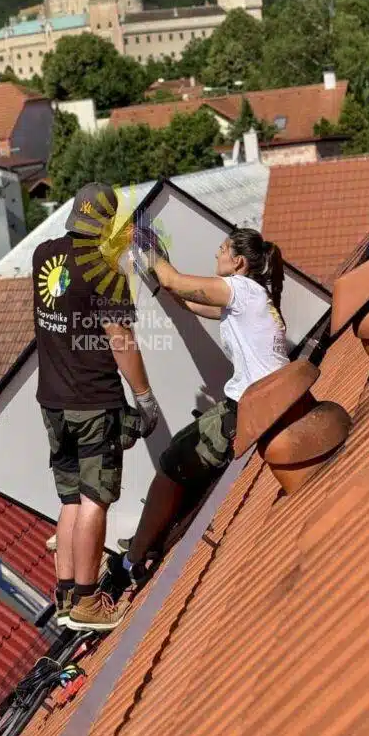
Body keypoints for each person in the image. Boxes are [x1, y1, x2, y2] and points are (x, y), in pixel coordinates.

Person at [118, 228, 288, 585]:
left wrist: (146, 246)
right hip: (263, 400)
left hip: (250, 409)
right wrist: (163, 277)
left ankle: (133, 559)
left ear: (238, 262)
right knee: (185, 447)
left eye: (222, 249)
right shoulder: (254, 296)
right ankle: (151, 539)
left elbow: (176, 282)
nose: (216, 254)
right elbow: (187, 299)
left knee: (171, 463)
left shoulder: (238, 289)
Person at [33, 182, 159, 632]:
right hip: (93, 403)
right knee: (95, 499)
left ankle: (67, 595)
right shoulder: (106, 272)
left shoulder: (43, 255)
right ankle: (89, 602)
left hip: (52, 402)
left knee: (70, 498)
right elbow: (120, 341)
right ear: (107, 224)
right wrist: (144, 398)